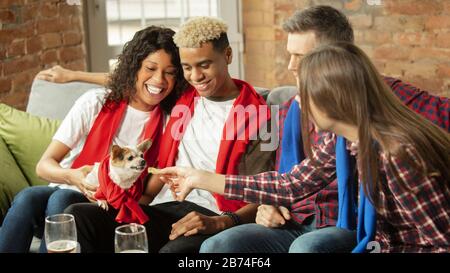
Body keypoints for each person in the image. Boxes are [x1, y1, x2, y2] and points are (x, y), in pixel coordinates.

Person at [194, 5, 450, 253]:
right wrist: (203, 179)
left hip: (354, 228)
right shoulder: (340, 135)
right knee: (218, 246)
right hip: (305, 219)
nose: (292, 66)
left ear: (335, 64)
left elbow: (439, 240)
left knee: (307, 247)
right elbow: (291, 182)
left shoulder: (396, 148)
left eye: (303, 59)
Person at [64, 16, 274, 253]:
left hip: (216, 215)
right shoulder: (185, 97)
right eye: (186, 67)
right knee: (78, 215)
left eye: (204, 65)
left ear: (227, 55)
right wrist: (72, 76)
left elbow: (268, 191)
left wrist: (222, 221)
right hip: (166, 207)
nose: (196, 77)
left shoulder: (263, 115)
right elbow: (135, 78)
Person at [0, 26, 187, 253]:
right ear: (134, 67)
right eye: (150, 68)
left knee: (63, 201)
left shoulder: (171, 123)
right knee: (29, 197)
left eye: (170, 72)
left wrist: (110, 197)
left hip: (109, 206)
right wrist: (72, 176)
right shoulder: (95, 102)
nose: (159, 79)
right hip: (67, 189)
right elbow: (44, 165)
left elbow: (147, 195)